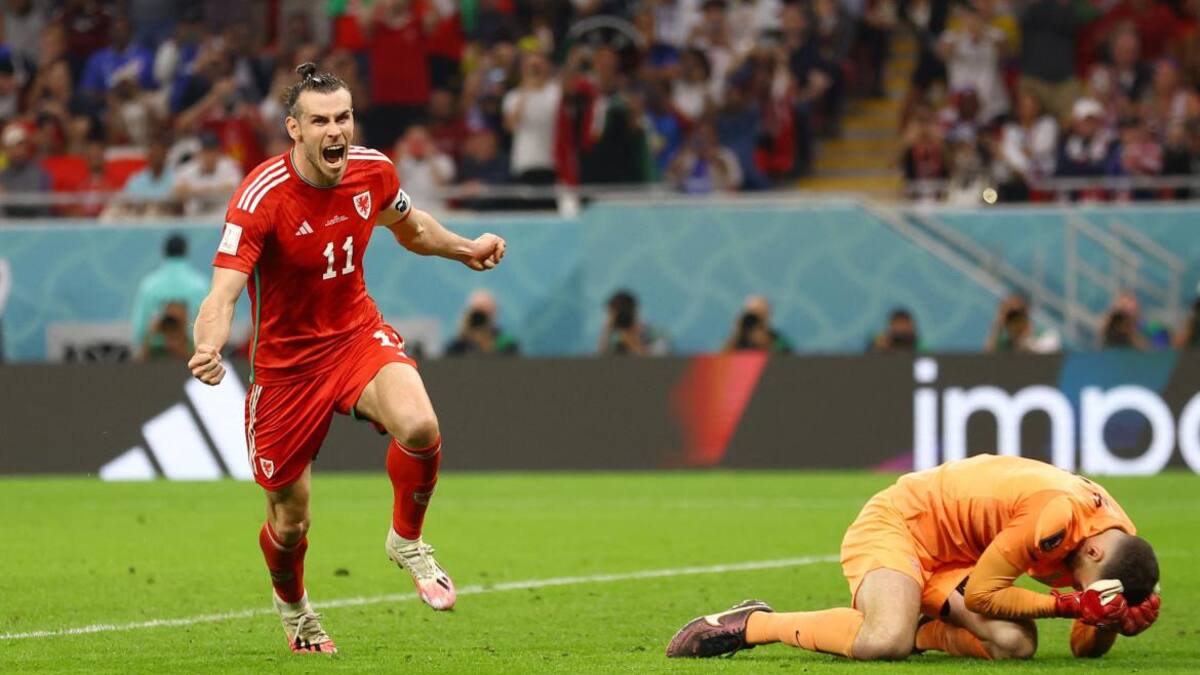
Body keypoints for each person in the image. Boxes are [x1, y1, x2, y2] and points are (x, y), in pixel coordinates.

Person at [187, 63, 506, 654]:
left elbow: (410, 228)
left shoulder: (373, 170)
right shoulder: (261, 197)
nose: (336, 131)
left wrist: (465, 249)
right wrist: (208, 345)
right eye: (321, 121)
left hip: (355, 336)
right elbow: (222, 291)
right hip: (287, 370)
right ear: (294, 129)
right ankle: (296, 610)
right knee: (291, 522)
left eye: (344, 117)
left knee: (420, 425)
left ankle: (407, 541)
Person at [667, 455, 1162, 661]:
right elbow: (988, 594)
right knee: (884, 639)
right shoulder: (1054, 520)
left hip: (960, 557)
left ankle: (921, 625)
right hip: (900, 526)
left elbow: (1083, 648)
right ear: (1093, 550)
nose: (1081, 589)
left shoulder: (1118, 544)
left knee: (1015, 645)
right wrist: (1069, 607)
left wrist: (1113, 621)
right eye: (1089, 586)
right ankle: (754, 622)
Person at [131, 233, 208, 360]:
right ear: (186, 251)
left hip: (154, 353)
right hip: (191, 353)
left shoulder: (149, 285)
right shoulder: (200, 285)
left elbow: (139, 328)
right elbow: (207, 328)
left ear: (164, 252)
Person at [171, 131, 243, 217]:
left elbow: (234, 188)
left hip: (220, 218)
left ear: (218, 151)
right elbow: (178, 191)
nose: (209, 155)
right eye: (206, 151)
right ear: (200, 152)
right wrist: (211, 190)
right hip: (194, 217)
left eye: (212, 150)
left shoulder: (230, 166)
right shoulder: (189, 168)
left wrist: (196, 191)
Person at [445, 290, 519, 356]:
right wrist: (463, 334)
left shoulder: (506, 343)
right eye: (478, 312)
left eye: (486, 311)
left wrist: (487, 343)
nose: (481, 318)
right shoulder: (459, 345)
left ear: (495, 313)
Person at [598, 289, 670, 356]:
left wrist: (633, 341)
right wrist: (606, 331)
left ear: (635, 313)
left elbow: (662, 363)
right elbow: (600, 364)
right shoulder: (613, 340)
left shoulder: (656, 335)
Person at [983, 294, 1060, 353]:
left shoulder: (1047, 337)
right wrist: (998, 327)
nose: (1014, 321)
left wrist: (1023, 339)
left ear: (1027, 313)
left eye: (1017, 315)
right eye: (1010, 317)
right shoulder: (1003, 346)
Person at [723, 295, 793, 353]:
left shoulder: (777, 339)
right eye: (753, 313)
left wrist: (767, 342)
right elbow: (724, 358)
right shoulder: (737, 339)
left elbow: (789, 358)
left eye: (761, 313)